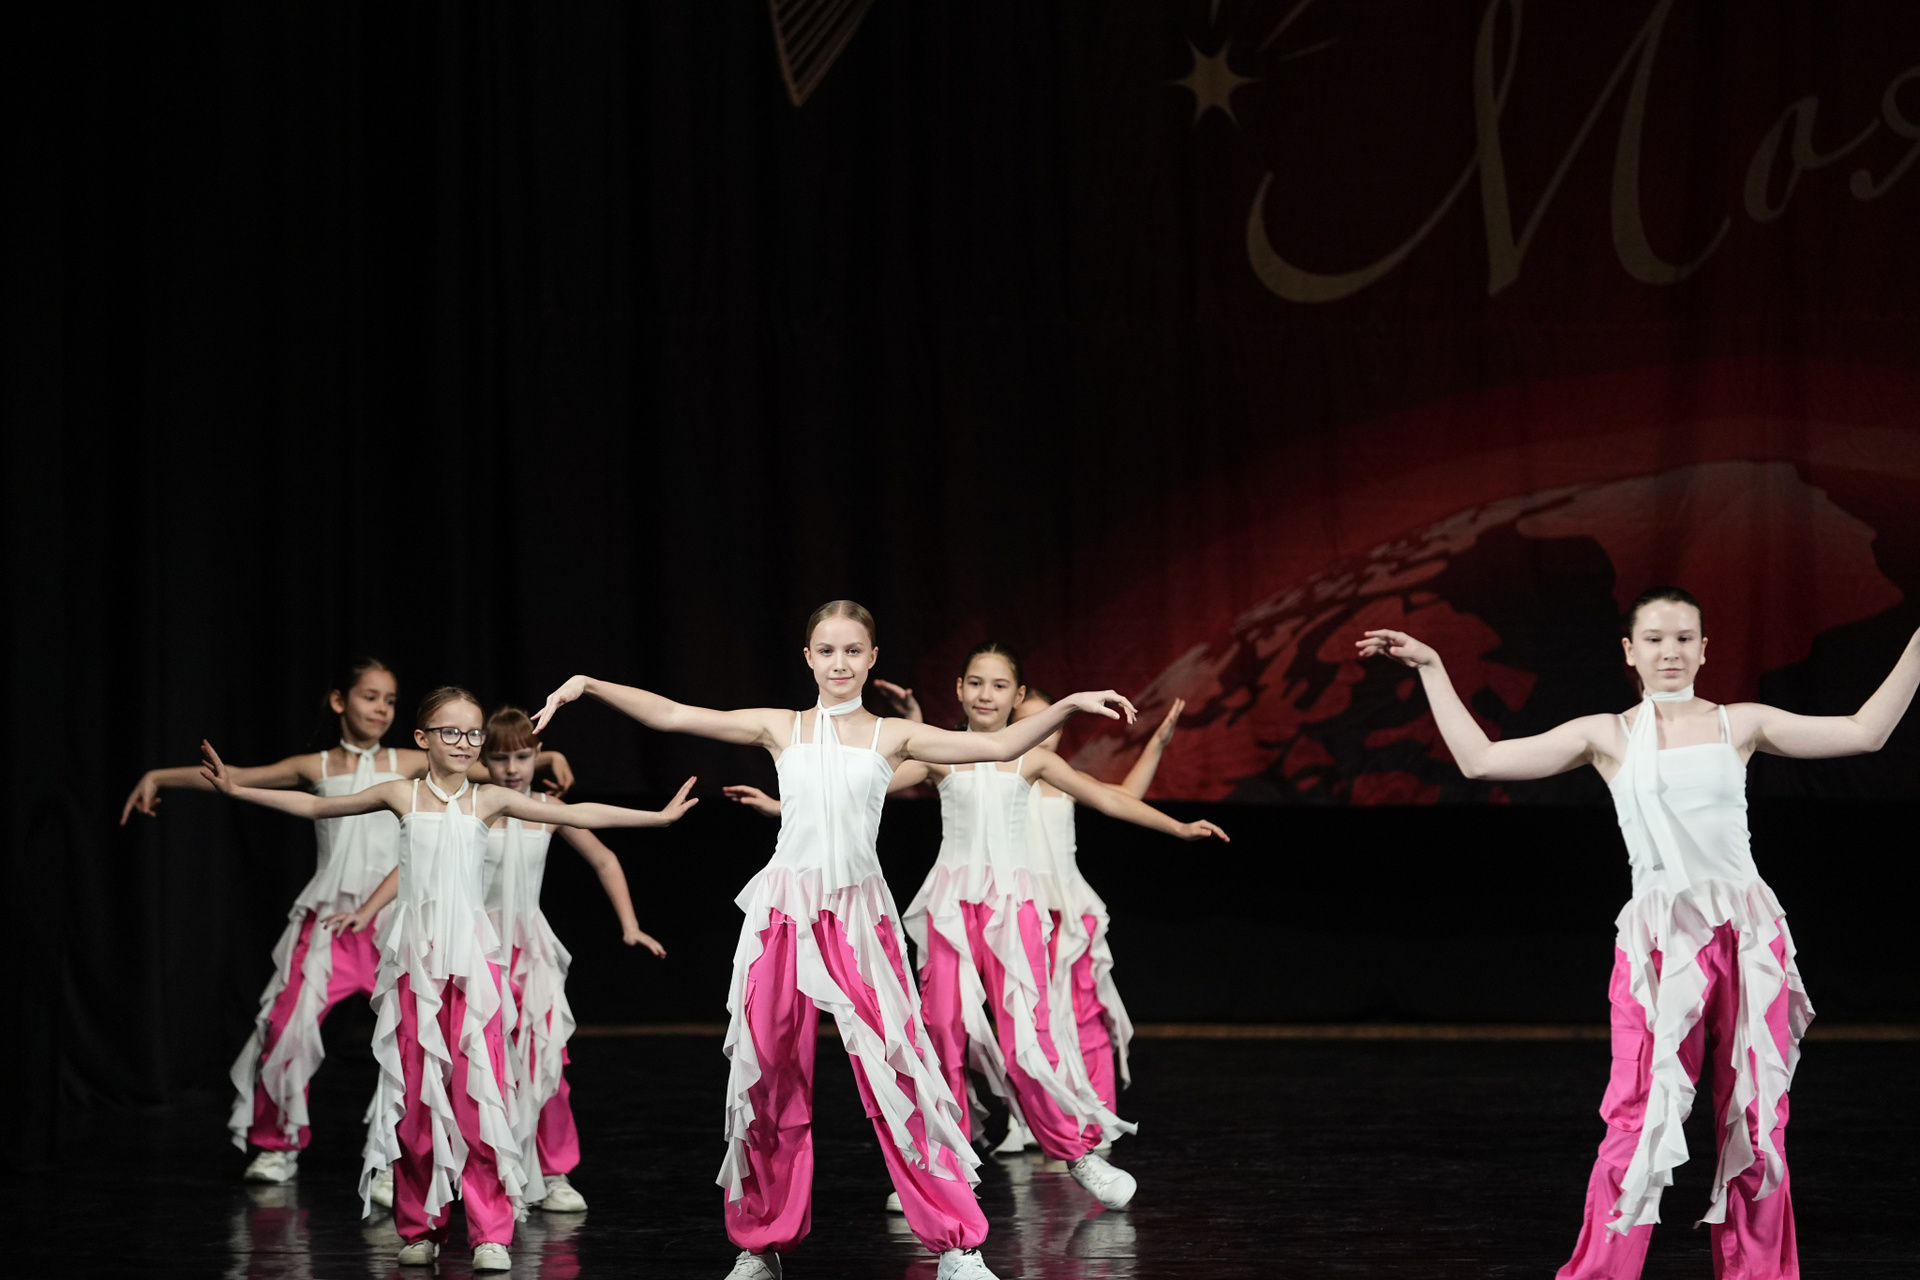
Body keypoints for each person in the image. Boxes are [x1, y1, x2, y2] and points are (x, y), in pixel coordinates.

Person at [530, 600, 1145, 1280]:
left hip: (857, 919)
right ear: (808, 658)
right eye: (827, 650)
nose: (840, 662)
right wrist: (588, 684)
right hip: (783, 915)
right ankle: (761, 1243)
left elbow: (999, 747)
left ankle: (956, 1244)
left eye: (853, 650)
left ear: (872, 658)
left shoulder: (892, 735)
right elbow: (674, 715)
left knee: (903, 1072)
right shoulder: (781, 726)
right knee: (767, 1077)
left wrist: (1070, 705)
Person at [1358, 586, 1920, 1280]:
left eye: (1683, 638)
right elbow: (1482, 760)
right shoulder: (1608, 734)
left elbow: (1865, 731)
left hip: (1747, 938)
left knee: (1757, 1124)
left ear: (1705, 649)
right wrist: (1432, 667)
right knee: (1636, 1118)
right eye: (1654, 639)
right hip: (1659, 948)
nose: (1669, 651)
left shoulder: (1739, 723)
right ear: (1630, 651)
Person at [201, 685, 693, 1274]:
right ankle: (421, 1229)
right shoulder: (400, 794)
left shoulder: (490, 800)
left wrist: (656, 817)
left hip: (474, 972)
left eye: (473, 733)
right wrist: (237, 789)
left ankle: (490, 1233)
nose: (465, 742)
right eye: (451, 732)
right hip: (416, 973)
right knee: (416, 1108)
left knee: (480, 1101)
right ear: (423, 739)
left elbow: (575, 814)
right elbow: (315, 808)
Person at [118, 658, 571, 1184]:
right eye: (369, 697)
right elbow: (233, 779)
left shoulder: (410, 761)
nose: (381, 709)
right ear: (339, 701)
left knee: (416, 1047)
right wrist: (158, 776)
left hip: (401, 924)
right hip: (333, 923)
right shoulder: (316, 766)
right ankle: (277, 1143)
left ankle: (400, 1165)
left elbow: (497, 765)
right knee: (285, 1029)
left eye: (390, 701)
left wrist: (549, 755)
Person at [854, 646, 1222, 1211]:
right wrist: (784, 807)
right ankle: (942, 1168)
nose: (985, 695)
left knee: (1028, 1040)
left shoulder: (1032, 761)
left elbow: (1109, 799)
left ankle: (1076, 1154)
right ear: (959, 689)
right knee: (942, 1029)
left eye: (999, 685)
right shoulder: (940, 754)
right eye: (976, 683)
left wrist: (1177, 828)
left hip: (1014, 910)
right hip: (951, 908)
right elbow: (865, 789)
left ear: (1018, 696)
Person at [478, 704, 667, 1214]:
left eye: (523, 757)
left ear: (536, 756)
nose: (512, 768)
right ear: (483, 761)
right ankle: (478, 1171)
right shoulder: (471, 806)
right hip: (479, 949)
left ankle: (553, 1170)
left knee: (547, 1063)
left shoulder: (546, 809)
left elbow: (605, 857)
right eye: (500, 758)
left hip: (530, 951)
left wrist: (630, 925)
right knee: (479, 1064)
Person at [998, 686, 1183, 1152]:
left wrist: (1157, 744)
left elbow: (1125, 796)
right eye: (1032, 723)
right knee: (1027, 1021)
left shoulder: (1064, 780)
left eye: (1053, 725)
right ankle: (1036, 1121)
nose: (1045, 735)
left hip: (1069, 914)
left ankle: (1095, 1121)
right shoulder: (999, 777)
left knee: (1084, 1016)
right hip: (1021, 913)